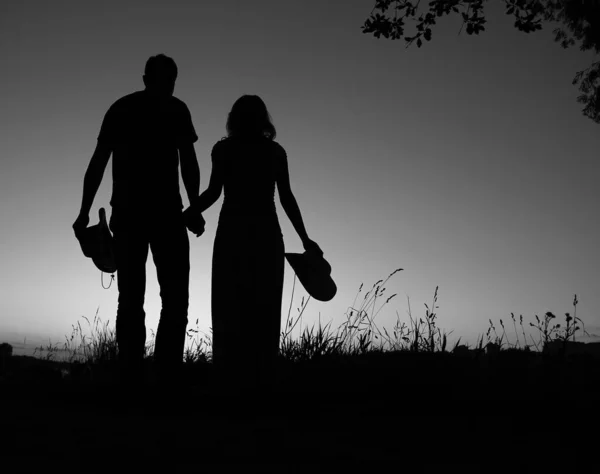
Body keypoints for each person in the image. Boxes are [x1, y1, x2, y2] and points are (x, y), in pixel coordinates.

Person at [73, 54, 204, 381]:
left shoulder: (124, 108)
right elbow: (188, 162)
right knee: (169, 301)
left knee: (134, 300)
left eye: (172, 82)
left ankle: (134, 377)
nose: (169, 87)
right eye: (167, 81)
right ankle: (162, 378)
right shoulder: (174, 109)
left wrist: (84, 211)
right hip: (161, 217)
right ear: (154, 79)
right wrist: (195, 207)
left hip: (137, 216)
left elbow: (98, 162)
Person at [185, 94, 322, 389]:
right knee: (264, 308)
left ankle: (228, 382)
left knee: (228, 307)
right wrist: (305, 238)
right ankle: (262, 382)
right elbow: (286, 198)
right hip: (265, 235)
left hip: (232, 234)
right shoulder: (274, 152)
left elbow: (212, 193)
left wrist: (189, 212)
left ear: (233, 119)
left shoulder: (224, 150)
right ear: (263, 119)